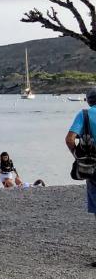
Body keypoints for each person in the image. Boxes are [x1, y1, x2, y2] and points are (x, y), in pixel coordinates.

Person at [65, 87, 96, 221]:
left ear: (88, 101)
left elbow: (69, 139)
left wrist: (78, 157)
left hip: (93, 165)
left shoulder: (84, 115)